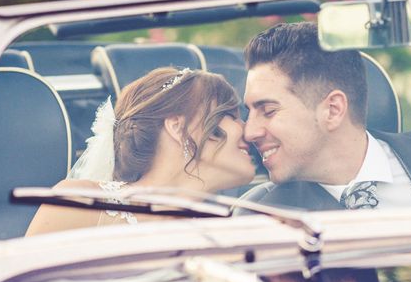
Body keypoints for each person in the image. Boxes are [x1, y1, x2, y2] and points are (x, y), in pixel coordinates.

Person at [237, 22, 411, 212]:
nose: (250, 132)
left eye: (269, 111)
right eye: (250, 112)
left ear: (333, 110)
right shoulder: (264, 219)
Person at [26, 67, 255, 235]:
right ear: (178, 127)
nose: (249, 130)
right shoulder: (78, 203)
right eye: (232, 116)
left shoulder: (224, 235)